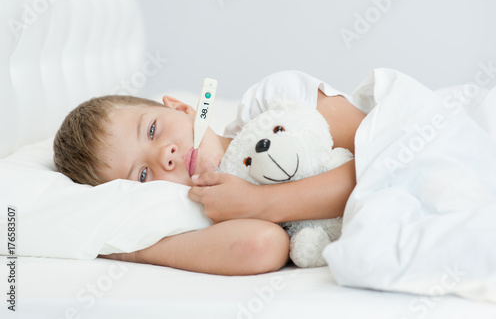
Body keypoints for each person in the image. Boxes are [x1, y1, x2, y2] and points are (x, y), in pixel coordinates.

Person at [53, 71, 366, 275]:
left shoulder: (276, 103)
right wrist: (130, 251)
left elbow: (377, 163)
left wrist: (260, 201)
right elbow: (261, 245)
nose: (166, 155)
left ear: (183, 108)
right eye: (143, 175)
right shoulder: (205, 212)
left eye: (152, 130)